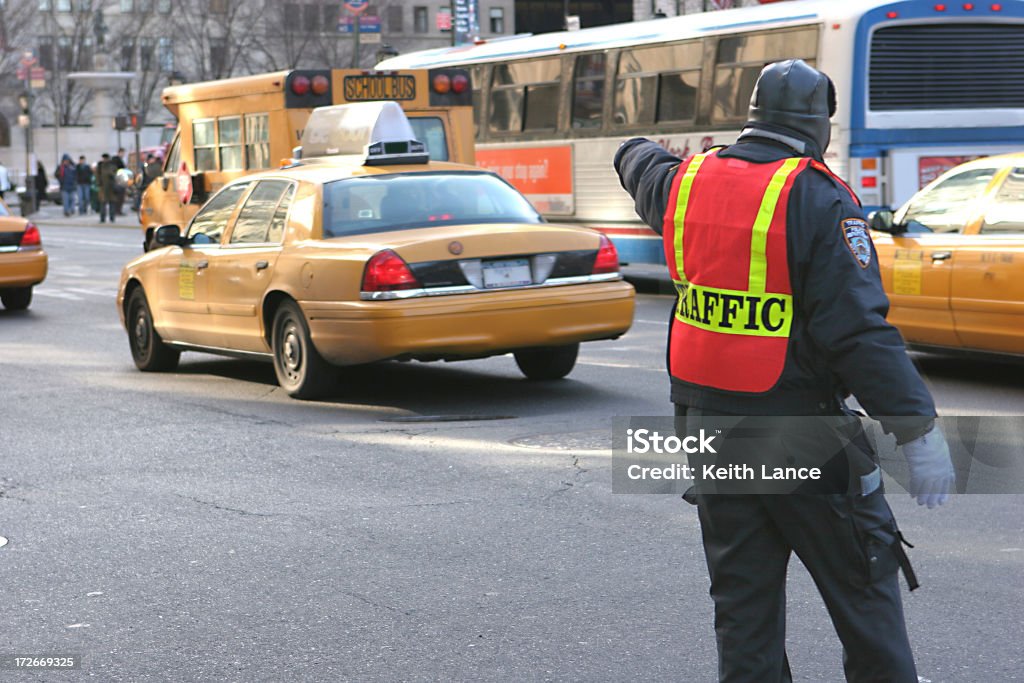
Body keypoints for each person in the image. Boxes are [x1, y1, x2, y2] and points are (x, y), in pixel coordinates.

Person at [614, 59, 956, 682]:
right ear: (819, 124)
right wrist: (917, 430)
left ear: (753, 116)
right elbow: (857, 332)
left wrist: (634, 147)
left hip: (708, 431)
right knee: (864, 588)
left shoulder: (686, 184)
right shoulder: (818, 196)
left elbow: (638, 162)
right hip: (800, 431)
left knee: (744, 606)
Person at [96, 153, 118, 223]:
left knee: (112, 203)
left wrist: (111, 174)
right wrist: (99, 183)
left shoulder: (112, 166)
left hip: (111, 187)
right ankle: (102, 218)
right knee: (103, 203)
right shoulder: (100, 166)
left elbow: (116, 175)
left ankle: (112, 218)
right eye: (103, 158)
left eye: (106, 158)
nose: (104, 160)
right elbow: (97, 175)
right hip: (103, 187)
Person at [113, 148, 127, 215]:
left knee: (120, 196)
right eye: (123, 153)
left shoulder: (118, 160)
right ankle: (117, 210)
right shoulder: (116, 160)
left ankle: (118, 210)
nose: (123, 154)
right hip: (118, 180)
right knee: (119, 196)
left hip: (120, 180)